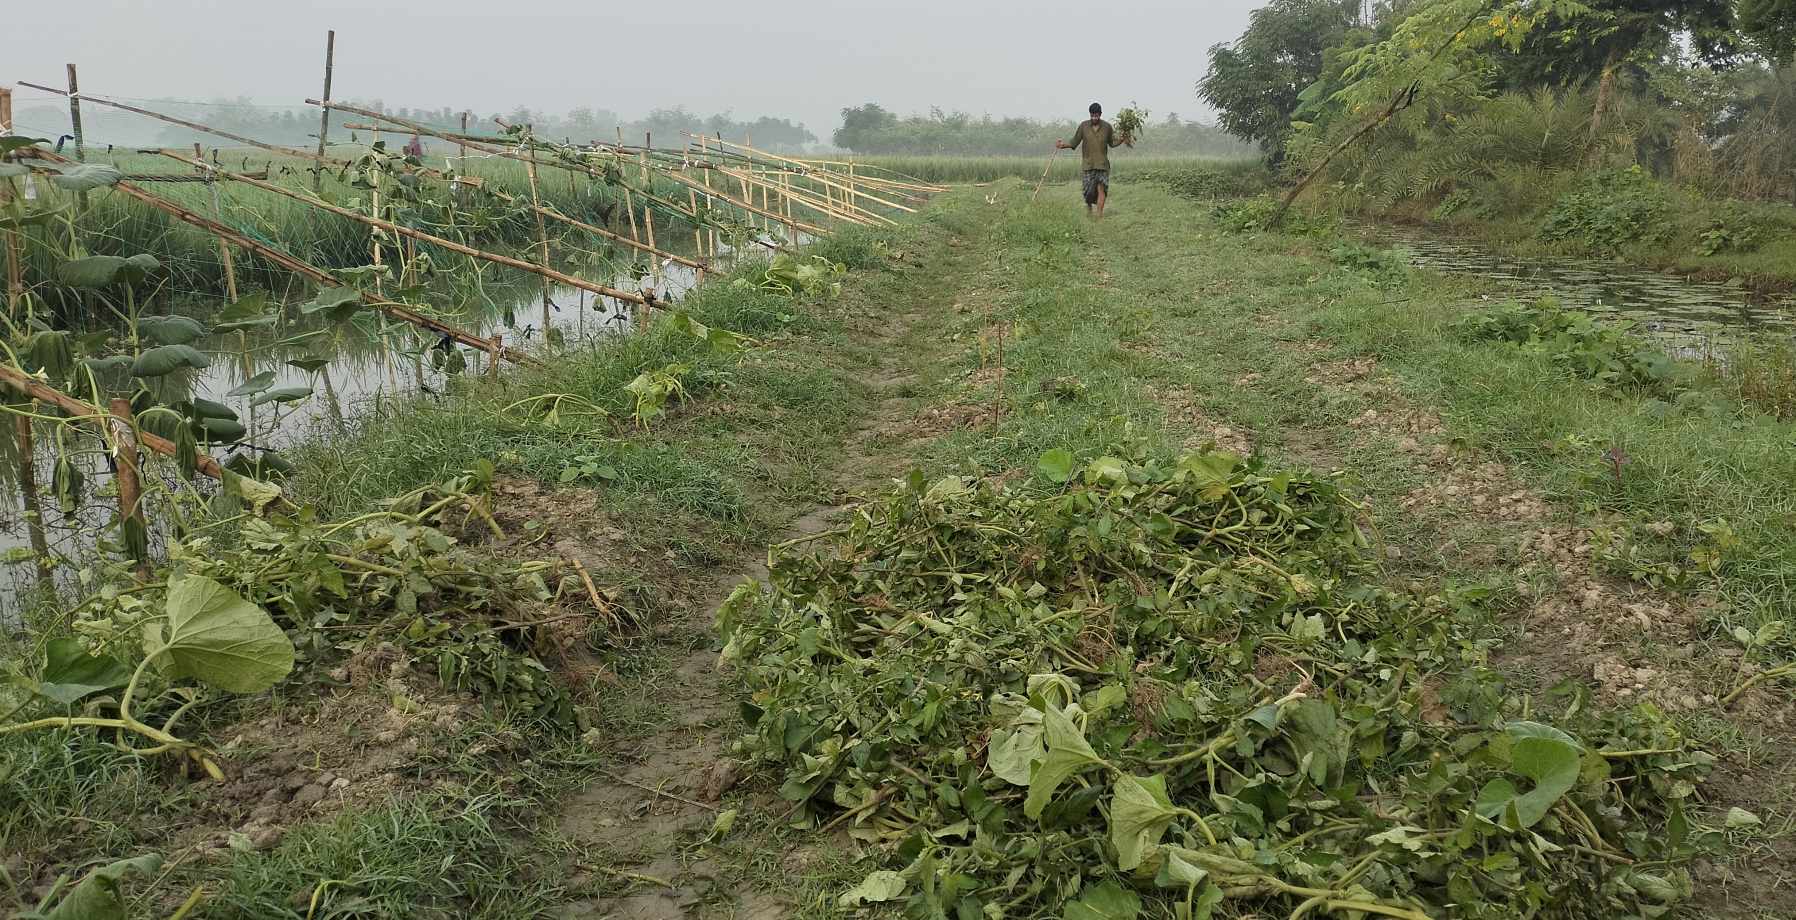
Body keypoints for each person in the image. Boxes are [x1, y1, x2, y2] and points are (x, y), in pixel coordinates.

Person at [1056, 102, 1129, 219]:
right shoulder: (1083, 126)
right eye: (1092, 115)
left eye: (1097, 115)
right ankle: (1089, 208)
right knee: (1088, 191)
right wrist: (1062, 145)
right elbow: (1074, 141)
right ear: (1090, 114)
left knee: (1102, 189)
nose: (1095, 118)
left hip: (1102, 165)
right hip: (1088, 164)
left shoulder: (1107, 127)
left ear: (1100, 114)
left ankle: (1099, 215)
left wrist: (1121, 140)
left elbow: (1112, 143)